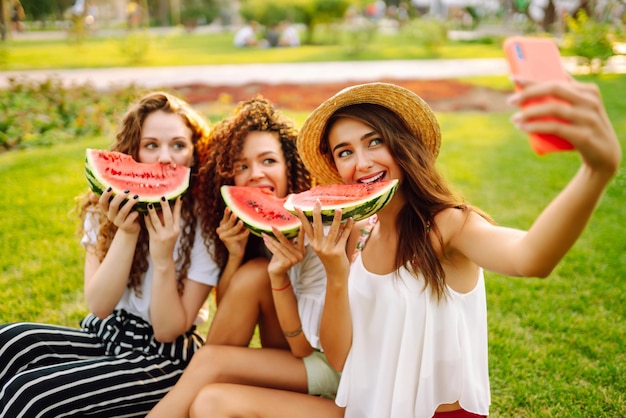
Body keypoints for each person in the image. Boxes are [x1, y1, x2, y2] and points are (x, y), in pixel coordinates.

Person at [292, 80, 620, 417]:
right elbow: (340, 357)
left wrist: (596, 171)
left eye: (374, 142)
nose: (361, 163)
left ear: (402, 145)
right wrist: (336, 274)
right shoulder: (360, 234)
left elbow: (530, 257)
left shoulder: (448, 226)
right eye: (344, 152)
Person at [0, 91, 219, 417]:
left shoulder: (203, 228)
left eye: (178, 145)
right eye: (151, 145)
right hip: (108, 332)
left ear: (194, 153)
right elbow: (100, 306)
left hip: (164, 358)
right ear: (133, 151)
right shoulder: (104, 210)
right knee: (7, 342)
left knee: (29, 396)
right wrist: (127, 232)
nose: (165, 158)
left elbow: (168, 330)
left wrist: (163, 259)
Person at [147, 97, 343, 418]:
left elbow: (305, 347)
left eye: (268, 161)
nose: (255, 174)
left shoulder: (316, 227)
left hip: (328, 364)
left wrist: (278, 277)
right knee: (251, 275)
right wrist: (235, 255)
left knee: (212, 362)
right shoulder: (253, 231)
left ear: (290, 165)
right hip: (295, 359)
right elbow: (228, 323)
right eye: (242, 166)